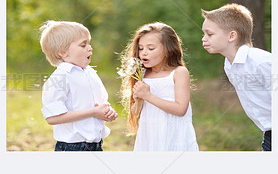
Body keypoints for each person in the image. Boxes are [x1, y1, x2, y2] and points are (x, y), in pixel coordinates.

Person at [201, 4, 272, 151]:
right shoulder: (229, 64)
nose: (204, 39)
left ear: (232, 36)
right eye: (204, 34)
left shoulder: (261, 62)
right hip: (268, 134)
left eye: (210, 34)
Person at [119, 22, 199, 151]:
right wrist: (139, 97)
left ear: (168, 50)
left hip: (174, 136)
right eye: (140, 48)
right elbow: (136, 112)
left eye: (150, 48)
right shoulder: (142, 74)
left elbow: (180, 109)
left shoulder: (178, 73)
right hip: (150, 136)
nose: (144, 53)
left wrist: (148, 96)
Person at [40, 20, 117, 151]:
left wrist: (106, 112)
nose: (90, 47)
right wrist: (93, 112)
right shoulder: (60, 78)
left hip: (96, 144)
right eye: (83, 45)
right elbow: (52, 118)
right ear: (63, 52)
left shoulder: (90, 72)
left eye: (89, 43)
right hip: (73, 147)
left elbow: (97, 103)